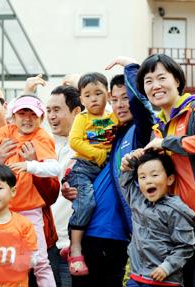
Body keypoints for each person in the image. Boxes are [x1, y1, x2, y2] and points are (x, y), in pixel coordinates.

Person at [127, 53, 195, 286]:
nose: (155, 86)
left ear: (177, 80)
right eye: (148, 82)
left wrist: (167, 143)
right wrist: (133, 161)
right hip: (179, 223)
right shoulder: (157, 127)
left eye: (161, 78)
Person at [63, 58, 155, 287]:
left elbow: (144, 109)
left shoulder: (138, 133)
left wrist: (132, 67)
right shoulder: (114, 131)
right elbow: (88, 159)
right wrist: (69, 180)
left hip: (111, 234)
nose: (121, 104)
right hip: (87, 233)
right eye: (115, 100)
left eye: (126, 98)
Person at [0, 83, 60, 287]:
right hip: (0, 247)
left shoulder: (35, 137)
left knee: (42, 268)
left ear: (4, 106)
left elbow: (51, 196)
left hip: (39, 238)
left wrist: (33, 165)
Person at [24, 83, 82, 287]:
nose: (51, 116)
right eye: (48, 110)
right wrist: (28, 92)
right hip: (42, 243)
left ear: (76, 111)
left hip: (70, 246)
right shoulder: (43, 142)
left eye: (57, 110)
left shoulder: (87, 146)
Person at [63, 73, 118, 276]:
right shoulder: (82, 118)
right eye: (88, 95)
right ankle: (75, 246)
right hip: (83, 168)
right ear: (81, 99)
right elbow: (74, 142)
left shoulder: (113, 118)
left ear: (108, 95)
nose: (94, 98)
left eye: (98, 93)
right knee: (87, 202)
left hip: (103, 169)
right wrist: (99, 154)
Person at [120, 150, 195, 287]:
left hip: (164, 281)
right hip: (137, 277)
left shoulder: (175, 210)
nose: (148, 181)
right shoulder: (138, 202)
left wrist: (166, 268)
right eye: (142, 177)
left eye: (154, 175)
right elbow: (126, 183)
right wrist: (129, 163)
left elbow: (185, 246)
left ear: (170, 179)